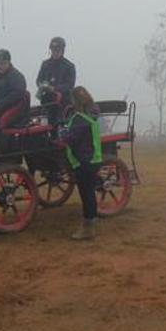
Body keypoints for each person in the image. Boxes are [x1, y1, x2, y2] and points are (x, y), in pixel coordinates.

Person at [60, 86, 102, 240]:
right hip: (94, 158)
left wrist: (62, 133)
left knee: (86, 194)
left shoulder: (79, 118)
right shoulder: (93, 115)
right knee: (89, 192)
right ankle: (91, 223)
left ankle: (88, 228)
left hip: (84, 161)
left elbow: (70, 138)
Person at [36, 37, 76, 127]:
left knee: (60, 126)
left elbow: (70, 85)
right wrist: (42, 85)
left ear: (62, 50)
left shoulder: (69, 66)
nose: (55, 52)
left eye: (58, 50)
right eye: (53, 50)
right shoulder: (45, 64)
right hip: (47, 102)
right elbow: (39, 79)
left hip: (63, 104)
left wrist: (54, 88)